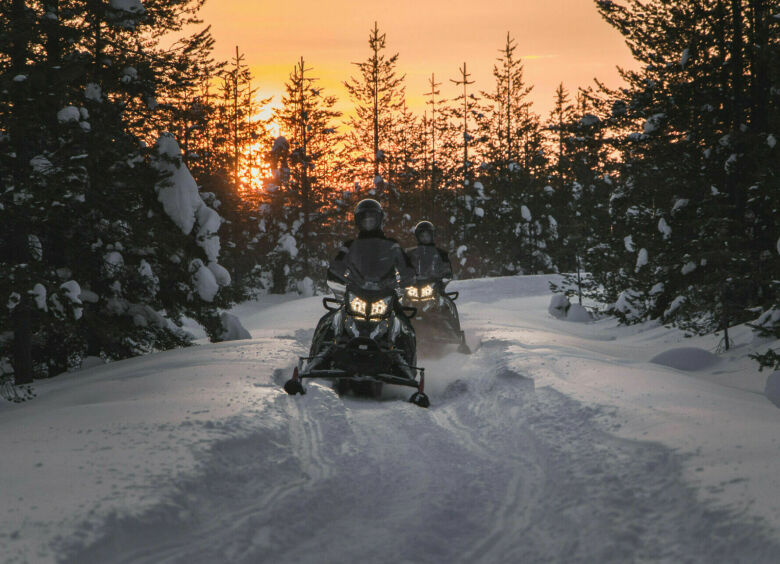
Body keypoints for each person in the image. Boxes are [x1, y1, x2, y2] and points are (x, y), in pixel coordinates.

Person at [310, 198, 417, 376]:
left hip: (384, 292)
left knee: (405, 326)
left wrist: (406, 278)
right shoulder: (350, 246)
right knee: (329, 320)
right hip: (357, 291)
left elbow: (405, 266)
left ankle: (408, 366)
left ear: (379, 219)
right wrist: (335, 274)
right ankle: (317, 357)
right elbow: (338, 265)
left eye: (372, 218)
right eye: (364, 219)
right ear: (358, 221)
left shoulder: (392, 246)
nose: (368, 222)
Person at [406, 221, 467, 349]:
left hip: (434, 285)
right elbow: (402, 268)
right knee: (400, 305)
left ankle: (457, 335)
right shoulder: (411, 253)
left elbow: (447, 270)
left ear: (432, 235)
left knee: (447, 303)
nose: (424, 238)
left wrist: (444, 276)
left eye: (427, 235)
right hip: (415, 285)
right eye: (422, 236)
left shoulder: (440, 253)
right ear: (417, 236)